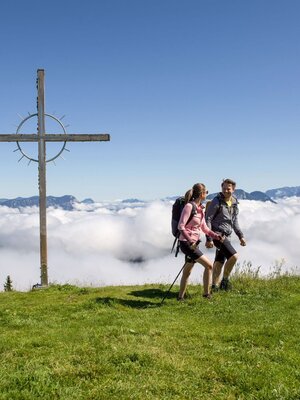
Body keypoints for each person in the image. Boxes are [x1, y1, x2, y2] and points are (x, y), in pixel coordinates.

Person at [177, 183, 223, 300]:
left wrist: (215, 236)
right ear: (202, 194)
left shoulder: (200, 209)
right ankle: (206, 294)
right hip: (187, 243)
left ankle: (180, 297)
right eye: (206, 192)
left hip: (193, 244)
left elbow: (204, 228)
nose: (207, 194)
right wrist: (190, 241)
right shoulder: (189, 207)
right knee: (209, 266)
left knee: (187, 271)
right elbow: (181, 226)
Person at [205, 178, 246, 291]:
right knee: (234, 256)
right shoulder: (216, 201)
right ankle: (225, 281)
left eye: (228, 189)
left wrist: (240, 236)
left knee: (220, 260)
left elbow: (234, 221)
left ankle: (214, 286)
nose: (225, 191)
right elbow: (208, 219)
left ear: (233, 189)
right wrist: (209, 238)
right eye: (224, 188)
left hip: (228, 235)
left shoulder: (234, 202)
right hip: (217, 235)